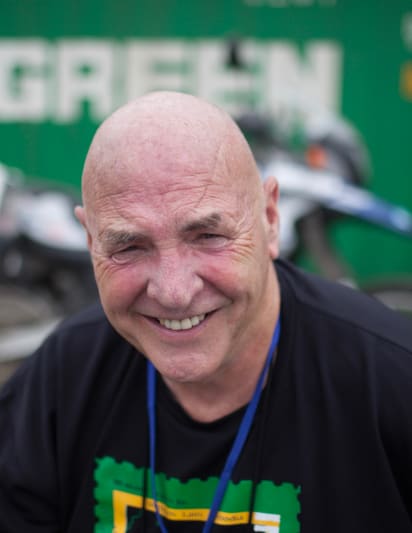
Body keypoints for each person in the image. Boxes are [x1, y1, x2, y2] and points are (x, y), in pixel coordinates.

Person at [0, 91, 411, 533]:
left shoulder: (391, 382)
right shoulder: (63, 378)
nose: (174, 293)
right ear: (91, 242)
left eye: (208, 237)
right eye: (129, 246)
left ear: (270, 218)